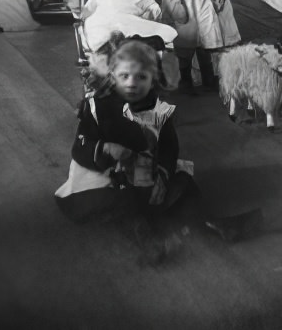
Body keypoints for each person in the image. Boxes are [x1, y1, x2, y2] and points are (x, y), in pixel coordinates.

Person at [54, 38, 263, 255]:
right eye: (125, 76)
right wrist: (106, 147)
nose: (132, 83)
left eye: (141, 77)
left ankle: (210, 223)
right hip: (101, 181)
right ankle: (148, 241)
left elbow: (169, 146)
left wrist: (162, 175)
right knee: (127, 199)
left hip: (140, 172)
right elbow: (80, 148)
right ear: (112, 76)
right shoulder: (96, 107)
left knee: (183, 183)